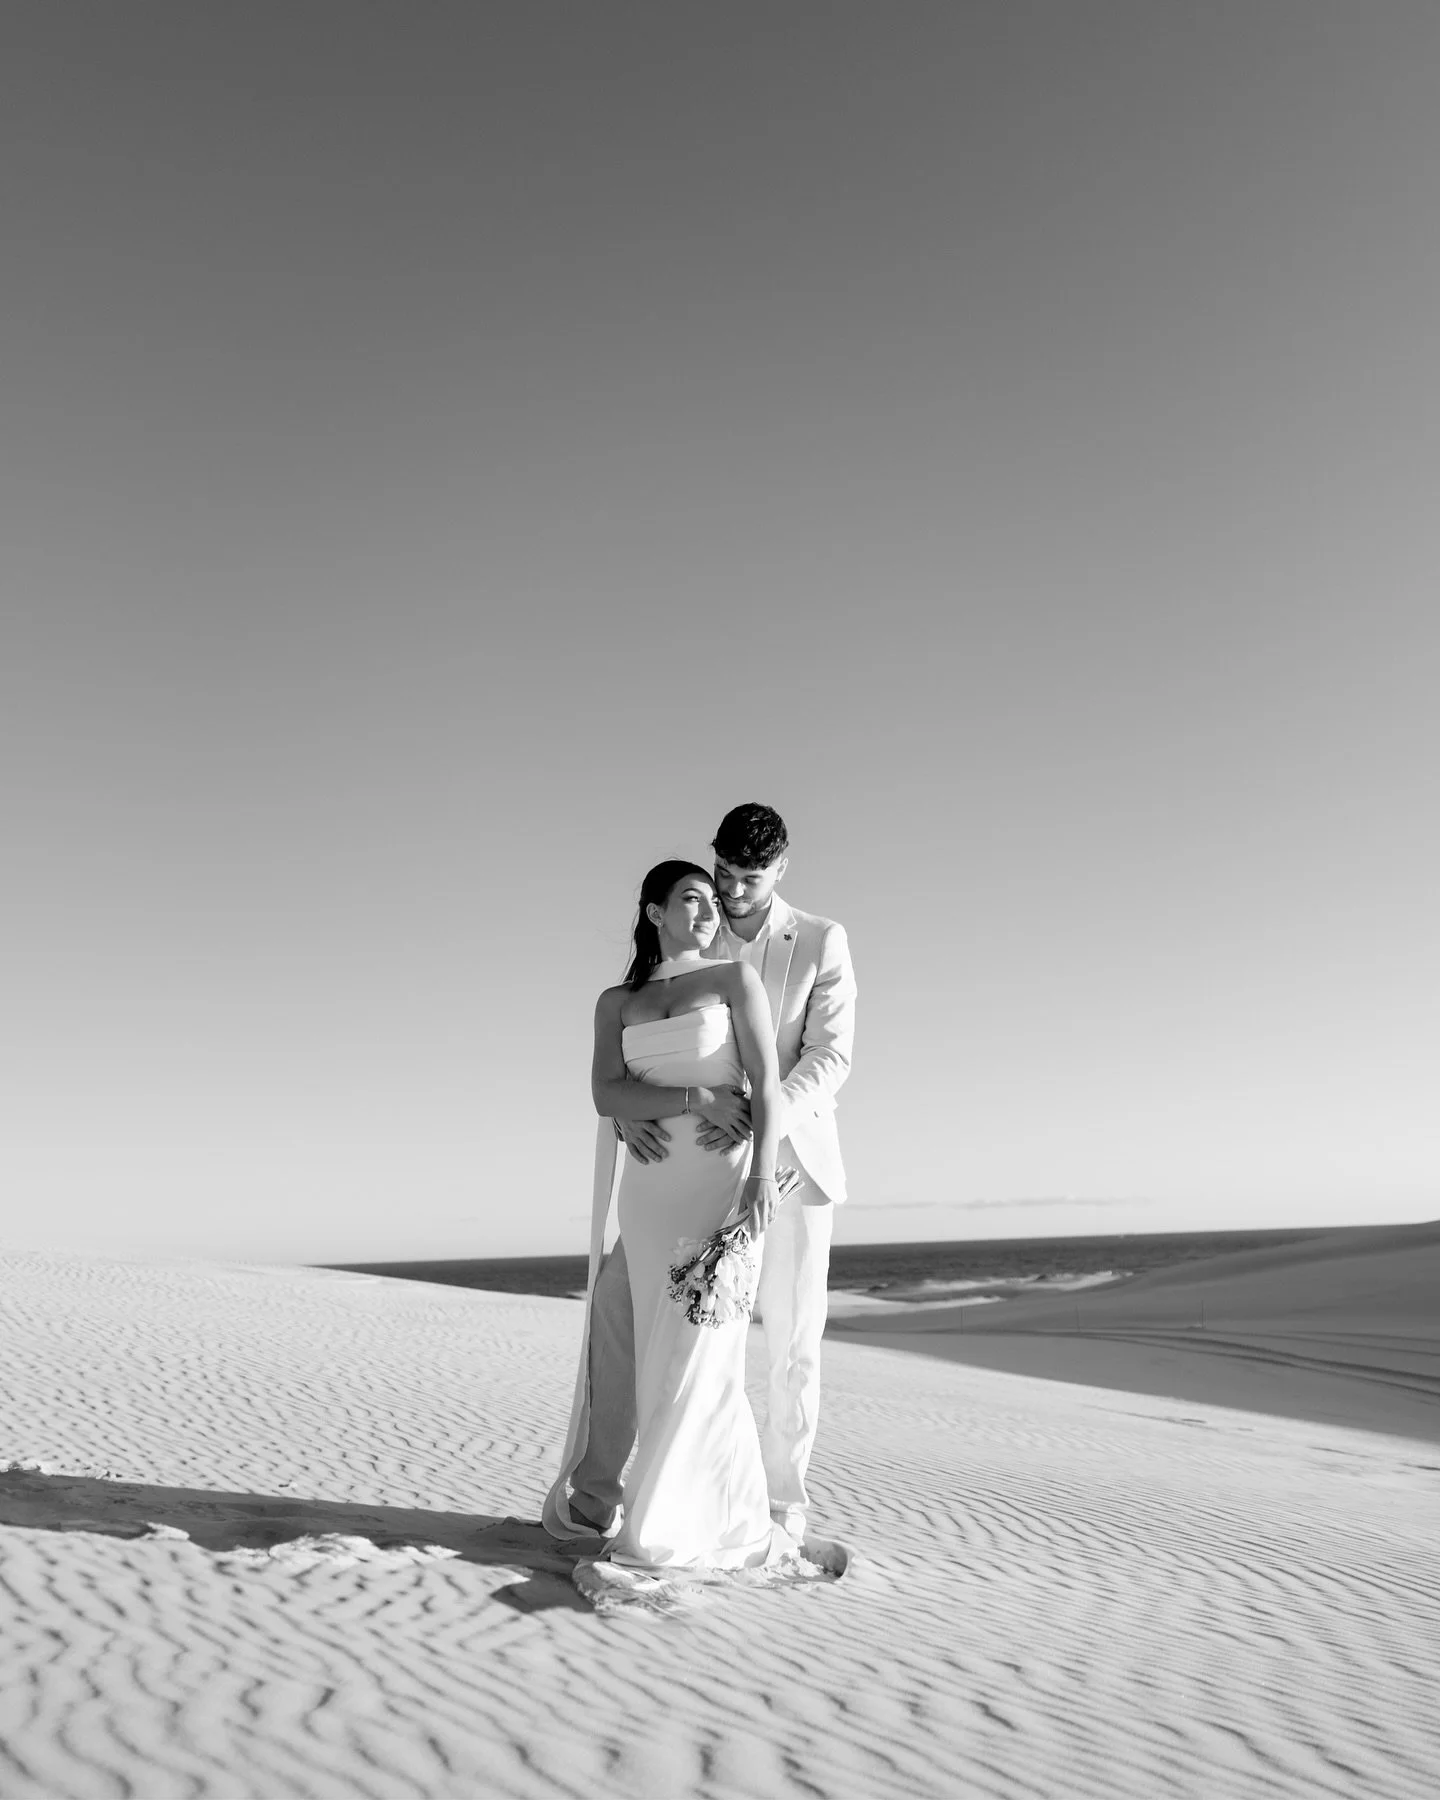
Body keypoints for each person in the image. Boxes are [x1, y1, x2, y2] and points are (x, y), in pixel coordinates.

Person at [544, 804, 857, 1545]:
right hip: (673, 1168)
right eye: (722, 875)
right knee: (620, 1318)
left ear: (780, 872)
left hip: (785, 1161)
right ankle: (600, 1489)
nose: (733, 893)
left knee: (785, 1345)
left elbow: (829, 1057)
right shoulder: (681, 944)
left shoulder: (817, 940)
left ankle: (776, 1507)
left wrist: (753, 1116)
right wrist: (644, 1107)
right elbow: (637, 1056)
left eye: (749, 880)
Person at [549, 859, 790, 1570]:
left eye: (716, 900)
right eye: (692, 898)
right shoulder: (614, 1002)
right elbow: (605, 1094)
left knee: (699, 1353)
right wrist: (695, 1102)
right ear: (654, 912)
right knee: (644, 1348)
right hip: (649, 1194)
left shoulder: (732, 980)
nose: (710, 911)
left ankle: (680, 1518)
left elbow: (769, 1085)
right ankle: (616, 1495)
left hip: (718, 1186)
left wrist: (759, 1178)